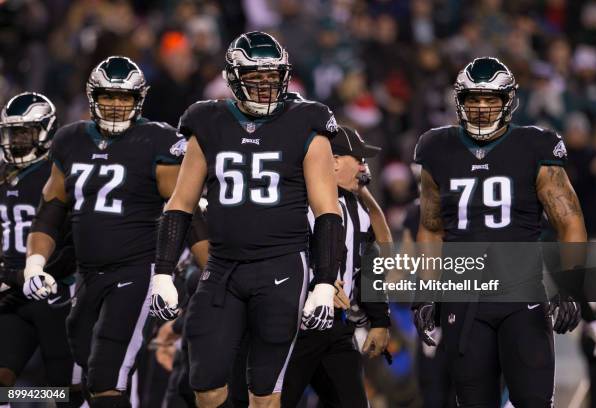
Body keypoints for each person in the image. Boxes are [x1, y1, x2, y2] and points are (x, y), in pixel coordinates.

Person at [149, 31, 342, 408]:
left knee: (264, 394)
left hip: (282, 266)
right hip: (222, 268)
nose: (266, 86)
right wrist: (162, 272)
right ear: (234, 79)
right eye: (256, 78)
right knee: (204, 383)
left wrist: (323, 282)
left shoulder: (308, 122)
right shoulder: (207, 120)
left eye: (272, 77)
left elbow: (327, 212)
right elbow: (180, 204)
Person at [23, 56, 207, 408]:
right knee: (84, 372)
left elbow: (185, 210)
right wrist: (34, 263)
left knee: (108, 378)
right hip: (87, 275)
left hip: (137, 271)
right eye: (109, 95)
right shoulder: (70, 140)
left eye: (125, 97)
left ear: (139, 99)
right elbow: (50, 211)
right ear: (93, 96)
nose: (116, 104)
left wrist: (210, 272)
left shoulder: (158, 140)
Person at [412, 57, 585, 406]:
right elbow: (431, 229)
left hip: (521, 297)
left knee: (533, 401)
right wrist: (426, 292)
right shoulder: (436, 147)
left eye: (490, 99)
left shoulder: (535, 146)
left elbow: (570, 222)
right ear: (459, 101)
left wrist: (570, 287)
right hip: (462, 295)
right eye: (473, 99)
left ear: (508, 102)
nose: (481, 108)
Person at [281, 125, 391, 407]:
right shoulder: (291, 200)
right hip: (291, 330)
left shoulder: (357, 208)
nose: (365, 168)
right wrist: (317, 283)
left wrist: (379, 320)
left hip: (336, 331)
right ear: (334, 161)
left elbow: (369, 265)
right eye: (360, 160)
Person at [0, 92, 82, 407]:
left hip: (55, 292)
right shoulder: (5, 176)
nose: (17, 140)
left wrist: (42, 274)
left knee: (65, 392)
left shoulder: (58, 174)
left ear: (45, 132)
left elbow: (75, 240)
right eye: (12, 132)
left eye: (25, 132)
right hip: (12, 292)